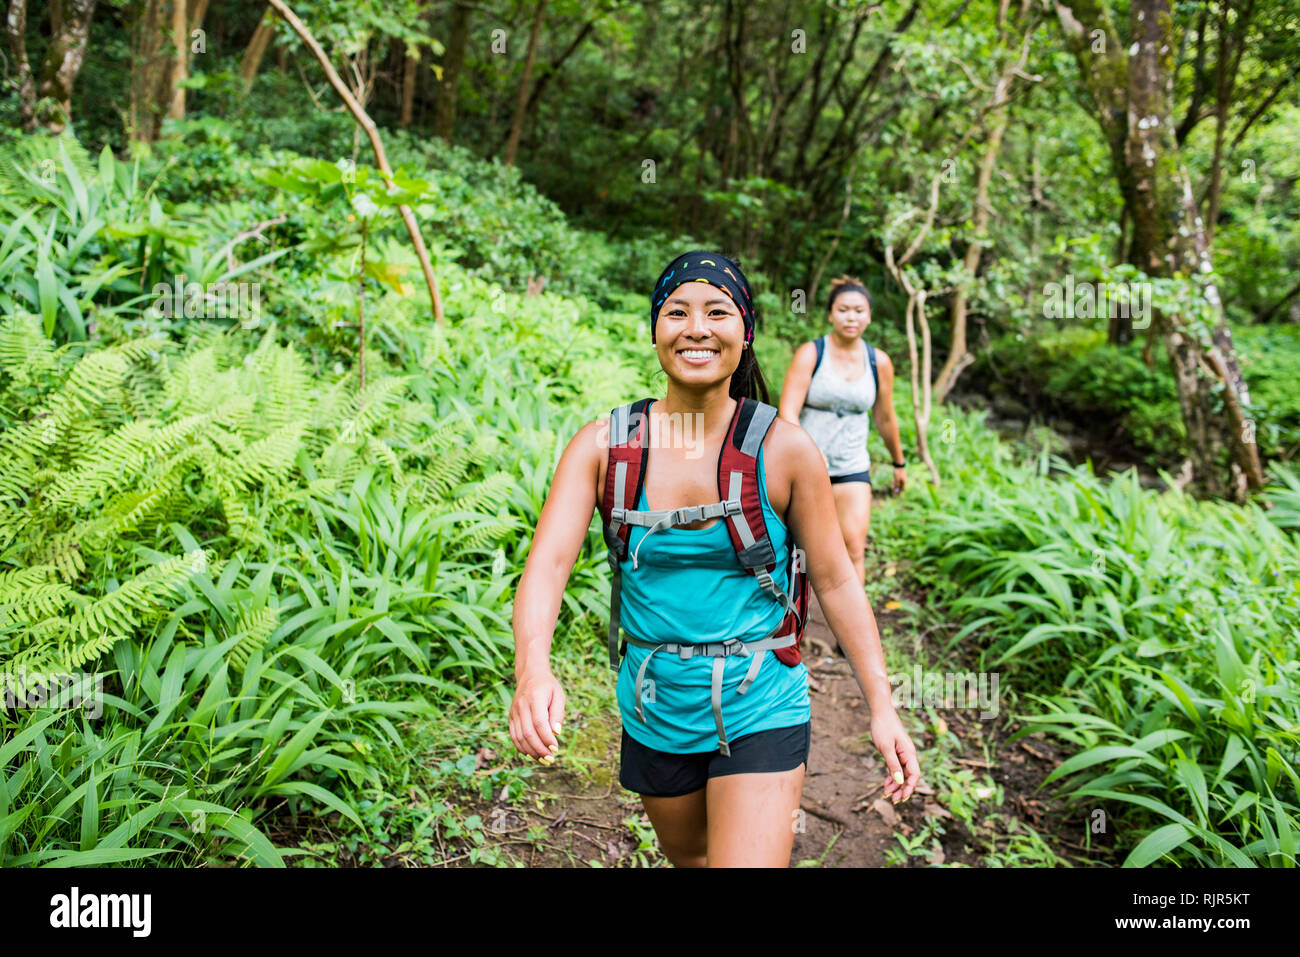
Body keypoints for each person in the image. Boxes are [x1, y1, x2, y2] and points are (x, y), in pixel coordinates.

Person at [508, 251, 920, 868]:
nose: (696, 327)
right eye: (677, 311)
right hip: (655, 702)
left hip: (763, 700)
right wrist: (532, 670)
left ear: (745, 331)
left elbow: (835, 581)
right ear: (655, 330)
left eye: (717, 311)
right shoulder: (603, 448)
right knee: (692, 858)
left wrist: (881, 706)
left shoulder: (784, 450)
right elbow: (546, 566)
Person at [778, 276, 906, 591]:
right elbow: (788, 412)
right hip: (807, 467)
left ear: (869, 316)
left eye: (859, 310)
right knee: (798, 549)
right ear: (831, 314)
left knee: (853, 547)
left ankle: (848, 638)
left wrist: (899, 463)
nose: (851, 317)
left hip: (851, 466)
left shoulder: (879, 362)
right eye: (844, 309)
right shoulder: (811, 353)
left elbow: (885, 417)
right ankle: (795, 626)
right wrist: (802, 458)